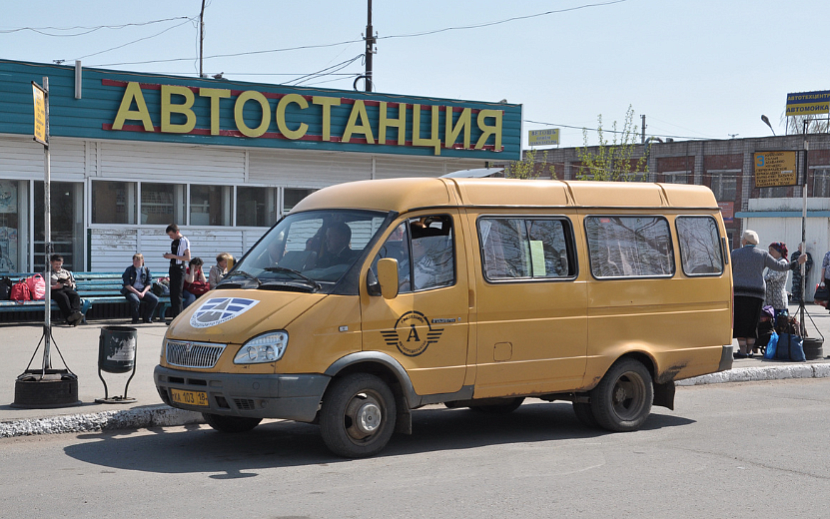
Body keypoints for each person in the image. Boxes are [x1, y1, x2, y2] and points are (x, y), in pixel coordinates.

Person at [732, 230, 806, 359]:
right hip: (757, 293)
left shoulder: (735, 254)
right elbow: (781, 267)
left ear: (744, 241)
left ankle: (742, 351)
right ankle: (749, 350)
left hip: (740, 293)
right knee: (753, 322)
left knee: (741, 321)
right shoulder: (763, 255)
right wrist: (797, 262)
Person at [163, 224, 190, 322]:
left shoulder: (184, 241)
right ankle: (174, 316)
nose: (171, 237)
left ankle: (178, 317)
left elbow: (187, 257)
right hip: (173, 268)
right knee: (173, 293)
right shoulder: (174, 242)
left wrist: (173, 256)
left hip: (179, 268)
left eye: (171, 234)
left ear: (177, 232)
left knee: (178, 293)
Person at [121, 253, 159, 324]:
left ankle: (147, 317)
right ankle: (135, 319)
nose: (135, 262)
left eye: (137, 261)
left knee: (155, 300)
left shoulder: (146, 270)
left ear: (142, 261)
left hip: (142, 290)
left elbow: (149, 284)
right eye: (134, 261)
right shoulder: (129, 270)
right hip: (131, 291)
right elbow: (127, 285)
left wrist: (143, 292)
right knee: (135, 301)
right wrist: (137, 293)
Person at [49, 254, 82, 326]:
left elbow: (73, 284)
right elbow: (44, 285)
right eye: (56, 264)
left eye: (59, 264)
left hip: (66, 288)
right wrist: (55, 286)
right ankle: (70, 317)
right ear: (51, 263)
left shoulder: (66, 272)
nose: (58, 266)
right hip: (55, 290)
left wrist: (70, 284)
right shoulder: (48, 273)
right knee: (63, 297)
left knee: (75, 295)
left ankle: (75, 314)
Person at [764, 242, 790, 319]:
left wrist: (763, 278)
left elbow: (774, 277)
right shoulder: (773, 263)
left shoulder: (782, 262)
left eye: (772, 250)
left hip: (778, 301)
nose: (769, 252)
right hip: (770, 300)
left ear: (779, 251)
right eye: (769, 250)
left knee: (779, 323)